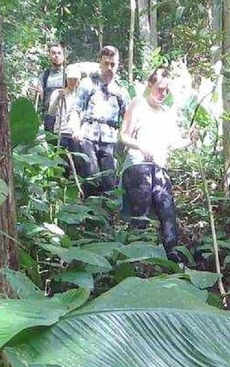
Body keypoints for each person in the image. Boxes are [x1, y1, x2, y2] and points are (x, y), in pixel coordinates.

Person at [118, 67, 195, 262]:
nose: (163, 93)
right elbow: (124, 136)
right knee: (141, 213)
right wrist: (141, 146)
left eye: (167, 90)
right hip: (138, 164)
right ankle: (136, 260)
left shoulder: (165, 113)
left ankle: (173, 257)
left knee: (167, 211)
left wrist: (191, 139)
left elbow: (175, 142)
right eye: (160, 88)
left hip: (159, 168)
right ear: (150, 85)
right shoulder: (138, 104)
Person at [69, 45, 130, 195]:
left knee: (109, 181)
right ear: (100, 63)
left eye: (113, 64)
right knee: (91, 176)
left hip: (110, 140)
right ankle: (88, 216)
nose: (109, 68)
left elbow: (129, 117)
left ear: (118, 65)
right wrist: (76, 129)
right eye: (106, 63)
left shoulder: (121, 90)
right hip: (88, 136)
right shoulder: (87, 84)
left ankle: (106, 217)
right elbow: (75, 110)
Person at [46, 64, 83, 192]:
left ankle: (76, 191)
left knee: (78, 164)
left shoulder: (81, 96)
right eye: (71, 79)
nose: (73, 82)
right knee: (62, 164)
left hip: (74, 134)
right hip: (60, 132)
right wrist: (57, 99)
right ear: (66, 79)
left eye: (76, 79)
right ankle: (60, 190)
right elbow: (50, 112)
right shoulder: (58, 92)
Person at [29, 42, 65, 132]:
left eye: (59, 53)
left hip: (65, 120)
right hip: (48, 118)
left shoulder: (69, 75)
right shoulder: (44, 75)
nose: (56, 56)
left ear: (64, 56)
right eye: (53, 53)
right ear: (49, 56)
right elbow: (38, 96)